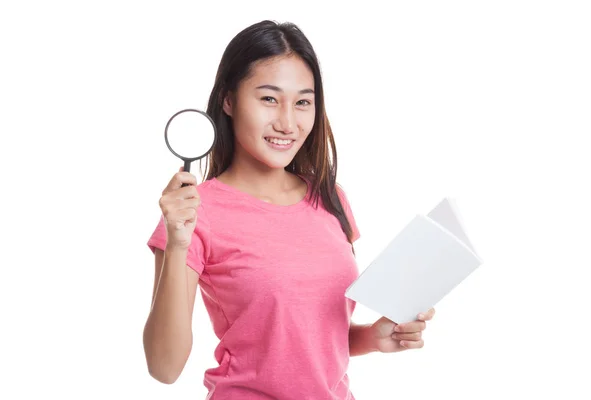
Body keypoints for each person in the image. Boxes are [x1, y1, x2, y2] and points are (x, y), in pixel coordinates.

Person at [143, 20, 435, 399]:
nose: (287, 122)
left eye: (302, 102)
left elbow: (305, 339)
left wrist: (373, 337)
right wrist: (179, 242)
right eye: (268, 98)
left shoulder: (331, 199)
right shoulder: (194, 213)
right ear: (229, 100)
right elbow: (164, 367)